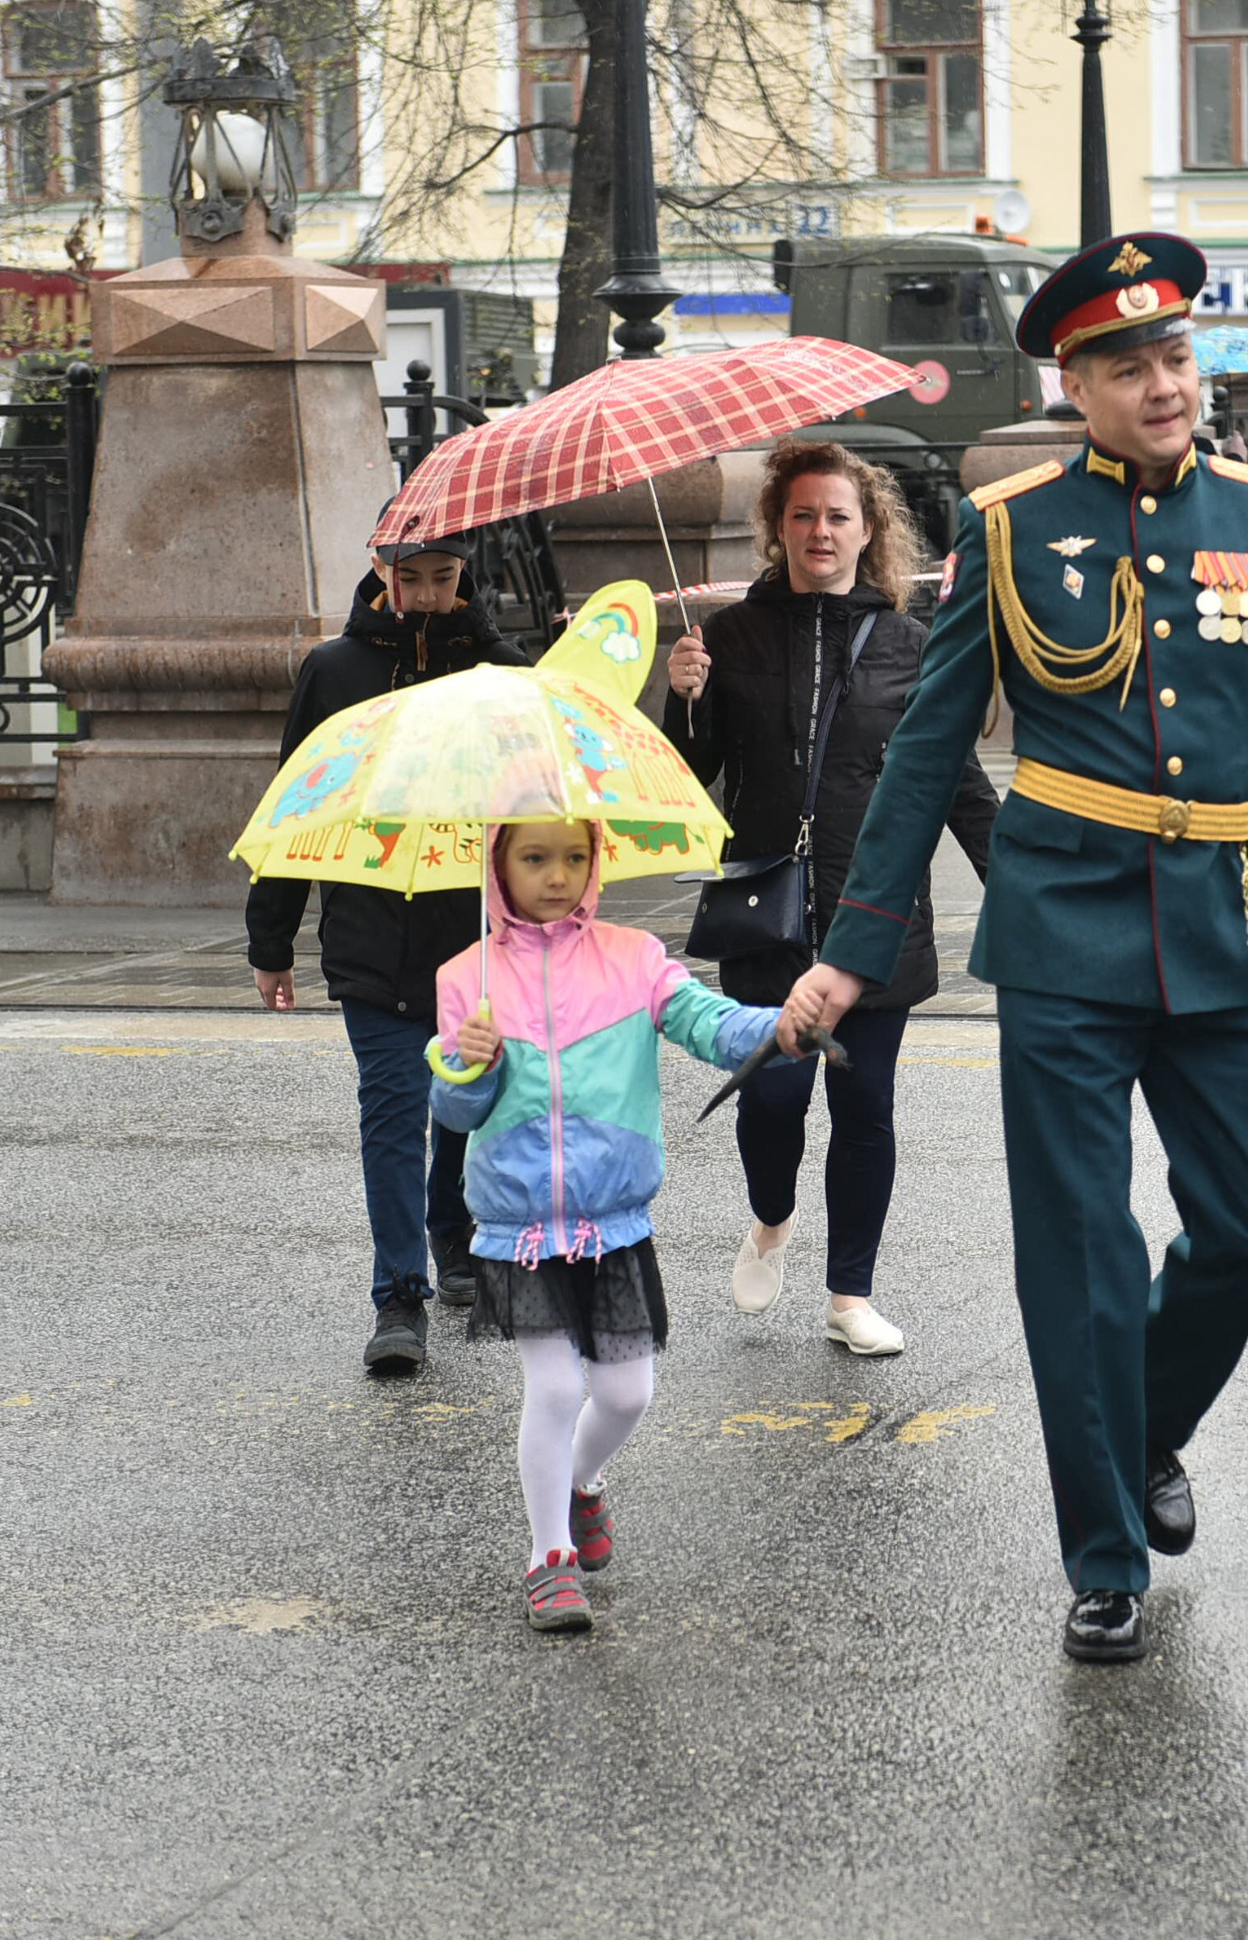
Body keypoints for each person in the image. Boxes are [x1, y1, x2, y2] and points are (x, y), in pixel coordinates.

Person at [775, 233, 1248, 1665]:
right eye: (1128, 365)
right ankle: (1103, 1555)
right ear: (1072, 381)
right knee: (1078, 1255)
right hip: (1066, 932)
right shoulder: (1009, 531)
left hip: (1226, 926)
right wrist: (853, 947)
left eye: (1176, 356)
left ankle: (1146, 1427)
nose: (1162, 383)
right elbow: (921, 758)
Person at [661, 441, 998, 1358]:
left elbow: (955, 779)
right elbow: (689, 784)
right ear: (778, 527)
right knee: (772, 1102)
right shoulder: (728, 638)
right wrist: (681, 700)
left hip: (876, 913)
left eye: (838, 515)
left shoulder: (909, 643)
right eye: (803, 514)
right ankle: (771, 1215)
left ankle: (851, 1291)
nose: (820, 530)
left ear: (868, 529)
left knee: (866, 1110)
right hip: (767, 917)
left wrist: (1018, 878)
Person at [431, 820, 786, 1632]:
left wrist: (777, 1027)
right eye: (533, 857)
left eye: (575, 857)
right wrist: (471, 1063)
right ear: (497, 864)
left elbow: (707, 1019)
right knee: (555, 1386)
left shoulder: (633, 959)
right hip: (519, 1224)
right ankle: (547, 1555)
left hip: (612, 1217)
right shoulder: (468, 976)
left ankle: (581, 1483)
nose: (557, 874)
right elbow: (452, 1108)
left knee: (628, 1393)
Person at [247, 531, 529, 1375]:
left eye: (447, 578)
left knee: (464, 1100)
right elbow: (295, 804)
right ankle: (398, 1296)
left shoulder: (500, 669)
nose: (433, 595)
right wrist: (272, 939)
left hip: (472, 938)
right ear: (380, 570)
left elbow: (542, 796)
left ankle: (453, 1229)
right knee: (394, 1108)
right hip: (370, 926)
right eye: (414, 579)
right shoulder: (335, 672)